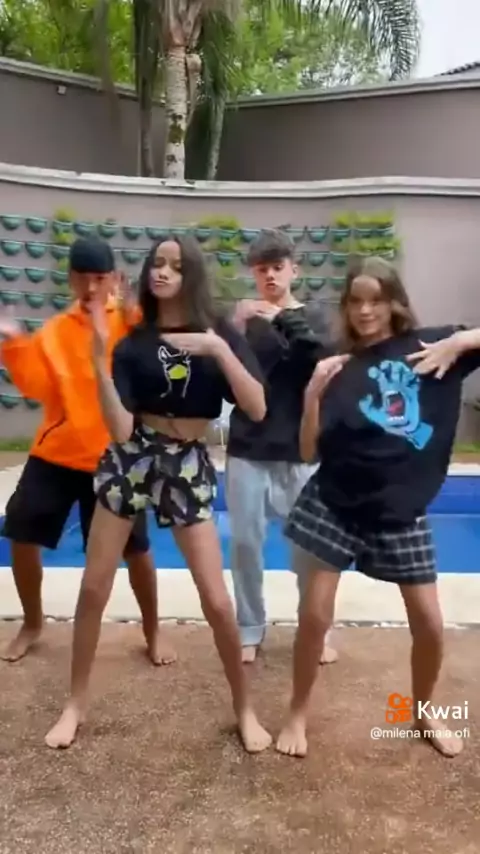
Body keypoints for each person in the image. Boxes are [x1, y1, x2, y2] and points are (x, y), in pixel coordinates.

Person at [45, 235, 273, 754]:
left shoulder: (217, 332)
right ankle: (75, 704)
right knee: (93, 588)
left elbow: (257, 408)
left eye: (175, 265)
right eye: (157, 264)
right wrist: (100, 359)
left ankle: (245, 709)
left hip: (187, 462)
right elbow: (121, 430)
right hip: (133, 455)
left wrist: (217, 348)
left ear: (192, 275)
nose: (163, 272)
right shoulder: (134, 343)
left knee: (217, 600)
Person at [276, 255, 480, 760]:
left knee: (430, 624)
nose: (366, 311)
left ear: (394, 303)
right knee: (314, 616)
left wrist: (461, 342)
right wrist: (312, 396)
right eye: (356, 301)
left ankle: (423, 710)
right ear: (346, 306)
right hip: (336, 502)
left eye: (376, 300)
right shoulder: (338, 366)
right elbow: (307, 452)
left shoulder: (431, 346)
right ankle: (297, 711)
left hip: (399, 510)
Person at [0, 237, 175, 667]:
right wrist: (13, 344)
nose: (92, 288)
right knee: (21, 532)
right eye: (84, 279)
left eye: (100, 279)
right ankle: (33, 623)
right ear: (71, 279)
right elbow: (37, 387)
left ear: (113, 278)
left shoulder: (131, 322)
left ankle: (153, 630)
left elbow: (156, 365)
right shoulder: (56, 331)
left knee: (136, 549)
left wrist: (139, 318)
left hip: (115, 455)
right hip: (57, 453)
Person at [226, 229, 338, 664]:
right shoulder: (242, 320)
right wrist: (236, 326)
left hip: (301, 451)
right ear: (253, 273)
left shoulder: (317, 318)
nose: (270, 276)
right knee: (244, 545)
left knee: (309, 551)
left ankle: (315, 629)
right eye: (262, 269)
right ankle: (249, 627)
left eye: (277, 267)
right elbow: (225, 376)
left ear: (294, 269)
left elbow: (319, 361)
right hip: (248, 448)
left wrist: (280, 319)